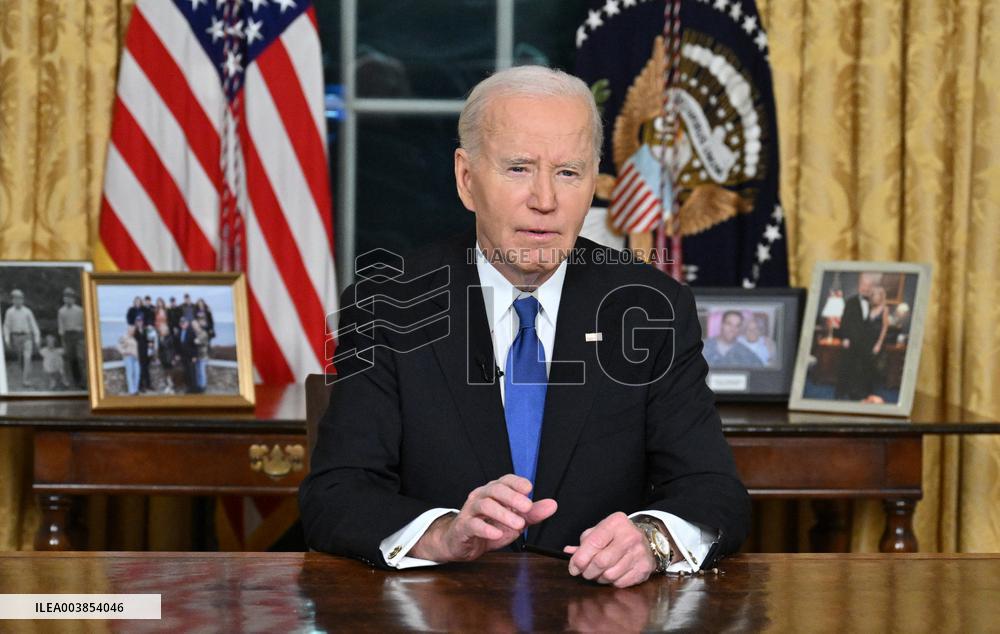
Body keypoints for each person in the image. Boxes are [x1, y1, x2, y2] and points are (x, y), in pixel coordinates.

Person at [300, 66, 749, 588]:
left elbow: (715, 492)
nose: (545, 199)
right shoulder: (388, 304)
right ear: (467, 179)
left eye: (568, 173)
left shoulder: (651, 308)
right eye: (518, 168)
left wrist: (649, 539)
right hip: (441, 609)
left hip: (600, 612)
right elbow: (334, 494)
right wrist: (442, 534)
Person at [835, 273, 881, 400]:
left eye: (868, 285)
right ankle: (840, 392)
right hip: (852, 341)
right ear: (859, 285)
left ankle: (863, 393)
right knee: (847, 367)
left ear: (872, 287)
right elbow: (844, 322)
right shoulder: (850, 302)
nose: (865, 288)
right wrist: (845, 338)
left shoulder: (876, 303)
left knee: (865, 369)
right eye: (863, 284)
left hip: (867, 344)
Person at [3, 289, 41, 388]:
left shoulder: (27, 311)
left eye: (19, 298)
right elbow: (6, 326)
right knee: (21, 359)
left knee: (27, 357)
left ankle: (26, 380)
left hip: (27, 336)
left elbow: (34, 325)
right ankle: (25, 375)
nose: (18, 301)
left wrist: (37, 338)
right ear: (12, 300)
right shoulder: (9, 312)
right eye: (15, 298)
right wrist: (7, 338)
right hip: (16, 337)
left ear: (22, 300)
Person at [57, 287, 86, 389]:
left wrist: (82, 334)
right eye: (66, 297)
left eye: (70, 297)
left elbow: (85, 325)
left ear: (74, 299)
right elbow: (61, 327)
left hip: (79, 336)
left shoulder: (80, 310)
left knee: (81, 358)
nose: (68, 299)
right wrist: (63, 341)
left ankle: (84, 381)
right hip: (68, 336)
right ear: (64, 298)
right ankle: (77, 381)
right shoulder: (61, 311)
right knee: (72, 359)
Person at [175, 316, 199, 394]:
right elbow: (178, 345)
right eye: (181, 323)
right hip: (183, 356)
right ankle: (189, 388)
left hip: (191, 356)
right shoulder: (179, 332)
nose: (182, 324)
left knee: (192, 373)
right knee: (187, 372)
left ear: (187, 323)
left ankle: (194, 389)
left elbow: (195, 346)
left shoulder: (191, 332)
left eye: (184, 322)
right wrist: (177, 354)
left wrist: (195, 356)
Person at [117, 325, 140, 395]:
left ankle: (135, 390)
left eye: (133, 330)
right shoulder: (124, 337)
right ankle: (132, 391)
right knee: (130, 374)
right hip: (128, 358)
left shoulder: (133, 338)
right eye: (131, 330)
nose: (132, 331)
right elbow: (118, 346)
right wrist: (125, 352)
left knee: (137, 374)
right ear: (128, 330)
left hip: (135, 358)